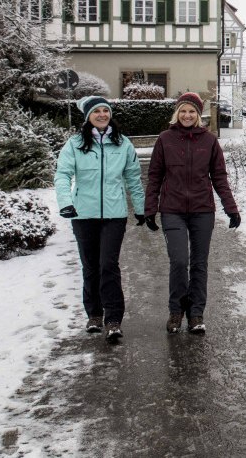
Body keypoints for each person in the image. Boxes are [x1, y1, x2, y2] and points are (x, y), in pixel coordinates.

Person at [144, 92, 240, 334]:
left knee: (199, 263)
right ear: (177, 113)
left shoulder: (209, 141)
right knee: (178, 261)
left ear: (198, 115)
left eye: (192, 112)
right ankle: (176, 311)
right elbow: (154, 176)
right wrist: (150, 208)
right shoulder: (165, 139)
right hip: (172, 210)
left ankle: (196, 314)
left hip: (202, 210)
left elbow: (219, 177)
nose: (187, 115)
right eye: (183, 111)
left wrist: (231, 208)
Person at [54, 96, 146, 342]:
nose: (103, 114)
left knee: (108, 265)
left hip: (114, 215)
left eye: (106, 110)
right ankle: (94, 313)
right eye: (97, 111)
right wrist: (65, 203)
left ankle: (113, 319)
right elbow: (62, 174)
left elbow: (133, 178)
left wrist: (140, 208)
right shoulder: (75, 144)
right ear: (88, 116)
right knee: (90, 266)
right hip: (83, 214)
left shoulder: (123, 144)